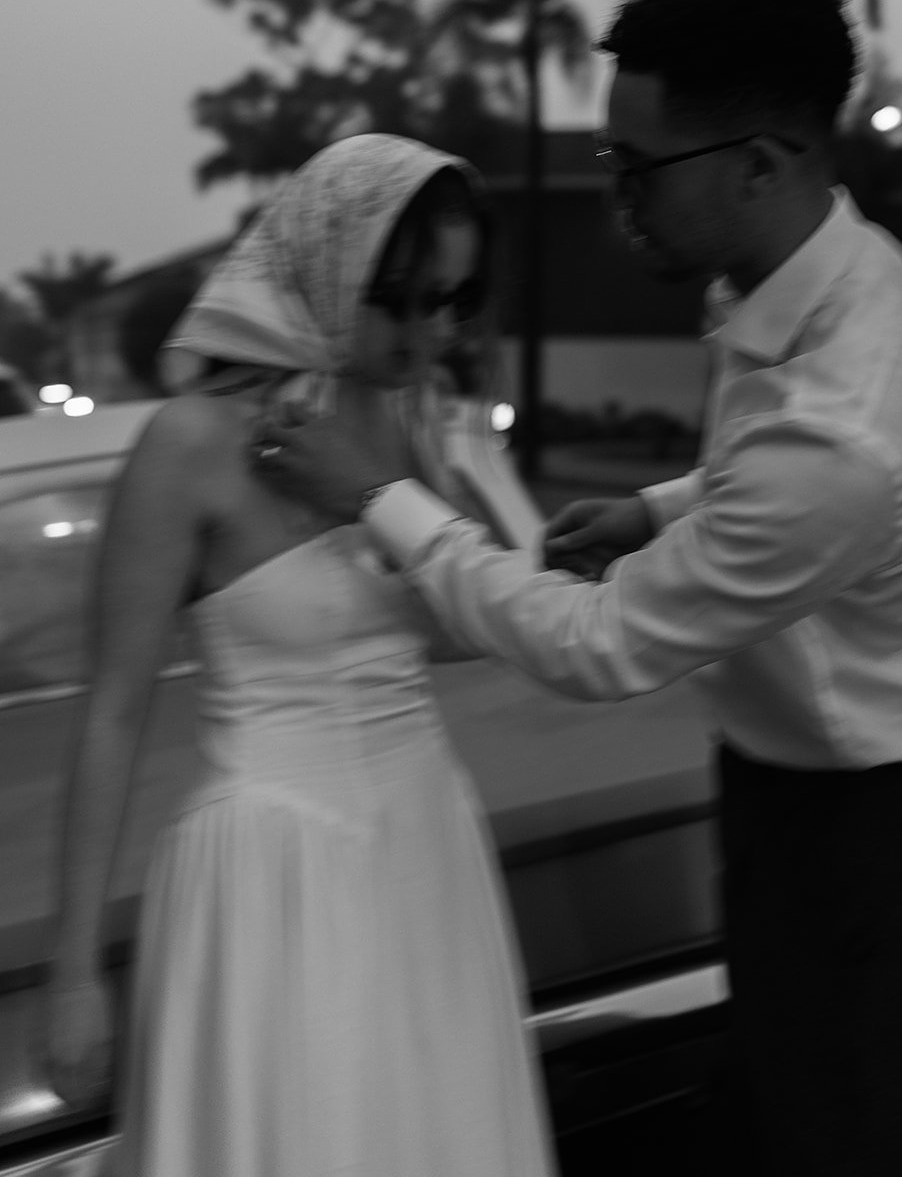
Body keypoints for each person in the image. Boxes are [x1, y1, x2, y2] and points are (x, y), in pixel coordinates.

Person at [253, 0, 902, 1177]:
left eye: (635, 167)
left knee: (844, 1136)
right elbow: (764, 471)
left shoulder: (843, 422)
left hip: (870, 824)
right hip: (794, 781)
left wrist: (375, 496)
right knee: (771, 1100)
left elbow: (595, 646)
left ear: (761, 165)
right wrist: (658, 509)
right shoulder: (828, 270)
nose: (617, 196)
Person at [42, 133, 557, 1177]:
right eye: (403, 298)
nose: (428, 332)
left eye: (451, 301)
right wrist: (72, 969)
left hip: (423, 842)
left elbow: (467, 631)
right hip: (270, 872)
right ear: (331, 263)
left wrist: (439, 490)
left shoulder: (406, 421)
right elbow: (112, 711)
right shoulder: (188, 443)